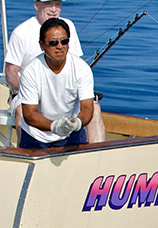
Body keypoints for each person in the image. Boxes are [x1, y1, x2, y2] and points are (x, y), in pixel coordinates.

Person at [4, 0, 105, 146]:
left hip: (64, 93)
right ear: (36, 5)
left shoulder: (69, 27)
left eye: (57, 4)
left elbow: (75, 66)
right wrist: (32, 95)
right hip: (27, 92)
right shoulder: (21, 33)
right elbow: (11, 73)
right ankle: (23, 152)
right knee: (22, 110)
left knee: (94, 108)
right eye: (48, 4)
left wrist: (77, 123)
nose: (53, 9)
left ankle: (97, 155)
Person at [17, 18, 93, 149]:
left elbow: (87, 108)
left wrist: (78, 124)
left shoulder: (82, 68)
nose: (59, 46)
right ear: (42, 45)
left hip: (71, 134)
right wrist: (54, 126)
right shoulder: (31, 71)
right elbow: (29, 114)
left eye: (64, 41)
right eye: (53, 43)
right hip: (36, 137)